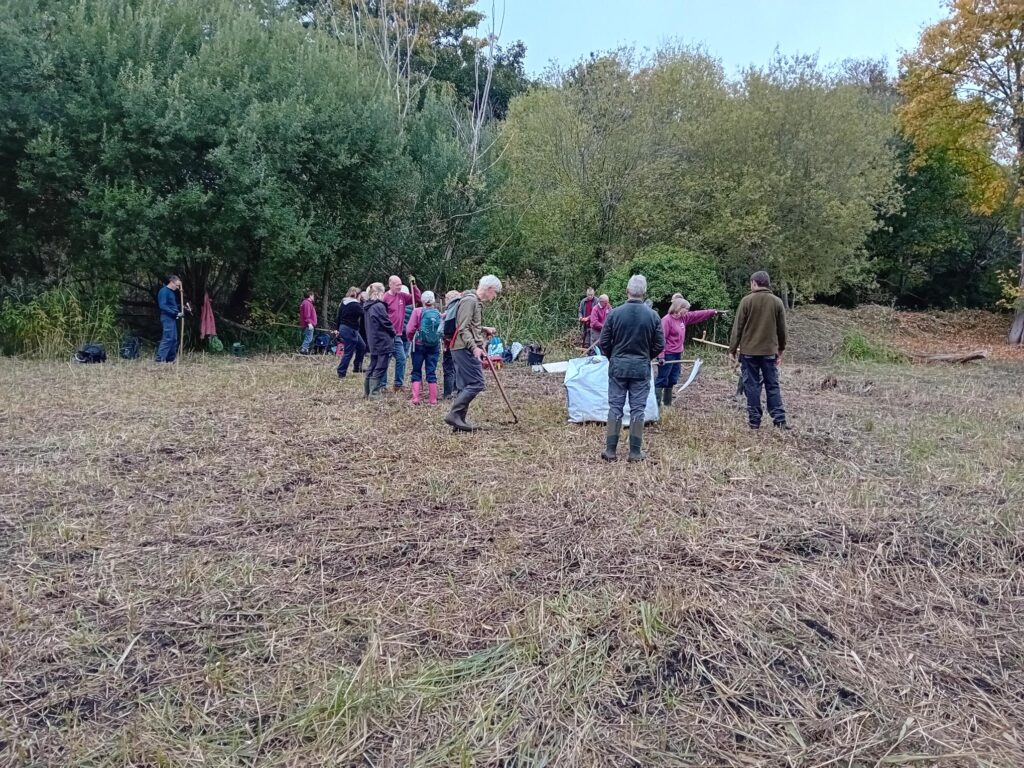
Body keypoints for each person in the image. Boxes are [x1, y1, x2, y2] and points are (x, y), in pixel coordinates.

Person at [597, 274, 664, 462]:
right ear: (644, 293)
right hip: (640, 368)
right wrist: (645, 357)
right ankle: (635, 452)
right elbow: (660, 344)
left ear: (627, 291)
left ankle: (610, 451)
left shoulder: (615, 313)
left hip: (618, 367)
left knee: (615, 407)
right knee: (638, 409)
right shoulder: (653, 316)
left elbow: (604, 341)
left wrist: (614, 357)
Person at [729, 270, 789, 430]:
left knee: (752, 386)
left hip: (749, 353)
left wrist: (732, 349)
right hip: (769, 352)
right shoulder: (777, 302)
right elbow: (782, 329)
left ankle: (754, 421)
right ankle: (779, 420)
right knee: (772, 385)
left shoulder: (746, 301)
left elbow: (738, 327)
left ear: (754, 283)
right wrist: (781, 349)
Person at [444, 275, 502, 432]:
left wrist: (484, 329)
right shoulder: (470, 301)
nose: (494, 297)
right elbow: (462, 327)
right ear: (489, 289)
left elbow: (469, 324)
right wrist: (474, 347)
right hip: (463, 347)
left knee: (464, 385)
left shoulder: (473, 300)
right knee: (477, 382)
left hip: (462, 346)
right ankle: (454, 415)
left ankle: (459, 422)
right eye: (495, 292)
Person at [655, 298, 722, 406]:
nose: (687, 311)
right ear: (679, 308)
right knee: (662, 379)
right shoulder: (666, 320)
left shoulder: (683, 318)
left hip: (677, 354)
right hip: (667, 354)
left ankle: (667, 404)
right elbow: (661, 339)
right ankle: (656, 405)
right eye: (686, 309)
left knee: (672, 379)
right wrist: (661, 356)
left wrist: (712, 312)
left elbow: (696, 315)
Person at [382, 275, 420, 390]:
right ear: (390, 285)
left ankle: (398, 384)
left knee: (402, 358)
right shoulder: (385, 298)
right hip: (387, 334)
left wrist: (414, 285)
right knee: (385, 359)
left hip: (397, 334)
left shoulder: (402, 296)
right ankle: (382, 384)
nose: (399, 287)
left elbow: (416, 298)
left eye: (400, 284)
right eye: (397, 285)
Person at [406, 291, 443, 405]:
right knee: (431, 371)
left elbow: (410, 329)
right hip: (434, 345)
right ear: (433, 301)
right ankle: (433, 399)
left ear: (422, 300)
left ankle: (416, 398)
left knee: (416, 370)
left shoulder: (417, 311)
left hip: (418, 344)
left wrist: (410, 339)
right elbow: (441, 330)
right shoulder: (438, 313)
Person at [362, 283, 395, 398]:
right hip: (382, 340)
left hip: (372, 340)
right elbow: (386, 323)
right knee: (380, 366)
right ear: (381, 292)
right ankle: (374, 393)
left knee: (373, 364)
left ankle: (367, 391)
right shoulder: (379, 307)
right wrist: (393, 331)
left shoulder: (367, 306)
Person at [335, 287, 366, 378]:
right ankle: (341, 372)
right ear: (358, 295)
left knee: (362, 346)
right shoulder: (356, 305)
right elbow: (364, 314)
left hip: (345, 328)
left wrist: (337, 329)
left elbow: (339, 317)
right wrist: (364, 302)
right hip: (350, 329)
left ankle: (357, 366)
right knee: (349, 352)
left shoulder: (343, 303)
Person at [155, 275, 183, 363]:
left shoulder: (171, 292)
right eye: (177, 285)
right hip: (167, 318)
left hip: (172, 318)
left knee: (173, 338)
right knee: (168, 338)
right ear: (172, 282)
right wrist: (175, 313)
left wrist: (181, 308)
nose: (178, 288)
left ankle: (170, 359)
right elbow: (163, 306)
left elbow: (172, 305)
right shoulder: (164, 291)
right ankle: (160, 359)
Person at [441, 290, 462, 399]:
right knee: (457, 366)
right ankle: (456, 389)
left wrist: (445, 341)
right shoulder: (462, 308)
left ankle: (448, 393)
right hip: (460, 343)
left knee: (448, 367)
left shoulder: (450, 310)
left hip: (451, 342)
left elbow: (447, 329)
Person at [299, 290, 317, 354]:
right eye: (313, 296)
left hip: (307, 323)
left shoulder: (306, 303)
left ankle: (306, 350)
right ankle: (303, 349)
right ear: (310, 296)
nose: (314, 297)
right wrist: (309, 323)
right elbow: (307, 314)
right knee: (309, 338)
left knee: (308, 337)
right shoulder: (307, 303)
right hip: (308, 324)